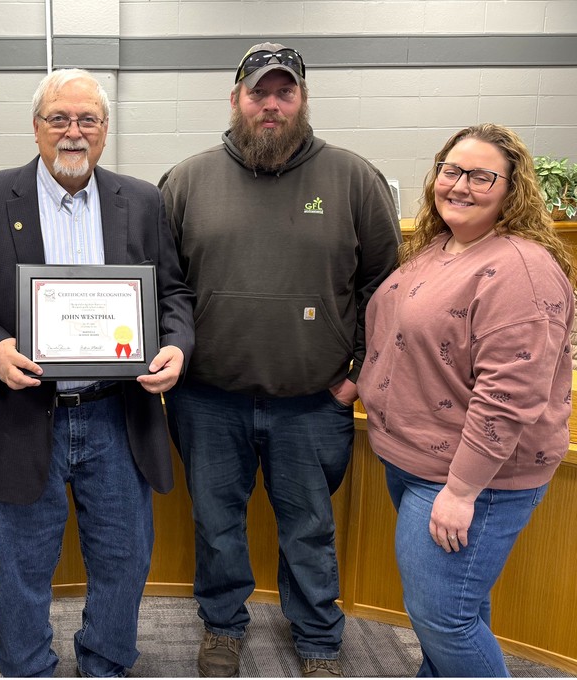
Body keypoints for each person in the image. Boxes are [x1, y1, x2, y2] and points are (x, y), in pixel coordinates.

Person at [0, 68, 195, 678]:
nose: (73, 132)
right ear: (36, 127)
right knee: (18, 567)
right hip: (22, 416)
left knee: (124, 561)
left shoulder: (143, 200)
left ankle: (105, 664)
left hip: (116, 414)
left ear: (105, 131)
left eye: (88, 120)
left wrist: (177, 347)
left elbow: (174, 294)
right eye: (59, 119)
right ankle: (27, 669)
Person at [158, 43, 402, 677]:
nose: (271, 104)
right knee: (215, 526)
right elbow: (165, 287)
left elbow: (385, 287)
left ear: (302, 100)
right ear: (235, 97)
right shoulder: (186, 180)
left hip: (314, 403)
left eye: (284, 92)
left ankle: (320, 638)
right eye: (258, 92)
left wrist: (355, 378)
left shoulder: (354, 178)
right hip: (207, 400)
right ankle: (222, 627)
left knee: (309, 529)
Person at [358, 123, 575, 677]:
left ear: (511, 189)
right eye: (452, 171)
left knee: (443, 619)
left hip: (470, 476)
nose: (461, 185)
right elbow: (404, 337)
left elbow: (509, 394)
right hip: (415, 458)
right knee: (458, 609)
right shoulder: (439, 248)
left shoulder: (520, 269)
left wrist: (461, 489)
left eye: (482, 176)